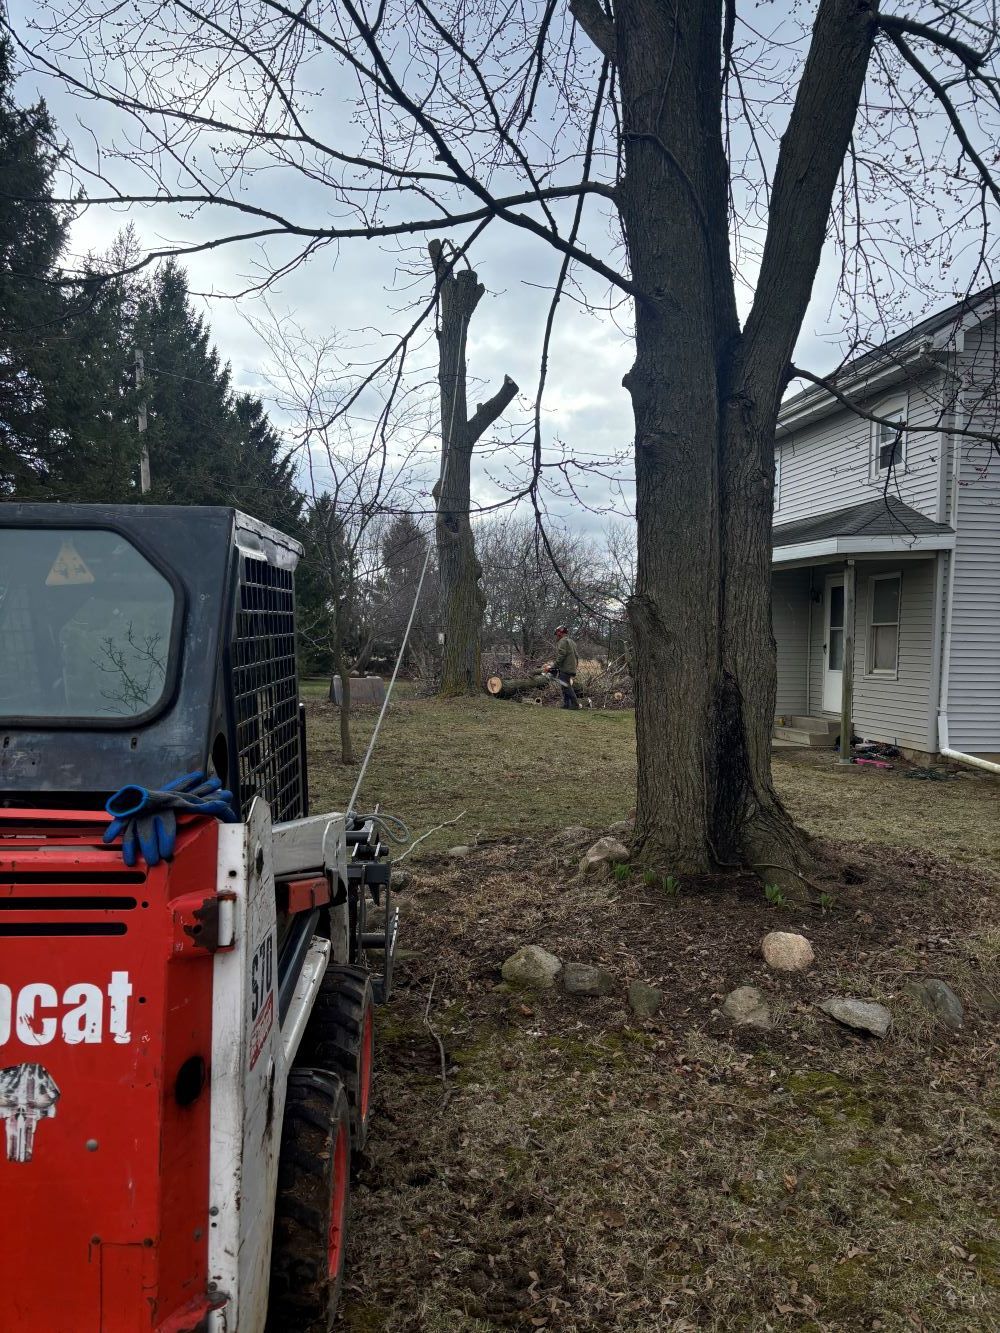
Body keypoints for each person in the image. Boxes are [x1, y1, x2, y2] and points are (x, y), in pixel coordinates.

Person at [550, 625, 579, 709]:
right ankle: (567, 704)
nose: (556, 635)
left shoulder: (562, 641)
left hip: (566, 667)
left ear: (560, 633)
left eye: (557, 633)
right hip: (571, 667)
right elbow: (576, 655)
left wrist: (554, 666)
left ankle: (575, 704)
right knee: (564, 685)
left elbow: (561, 655)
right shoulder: (571, 642)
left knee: (566, 685)